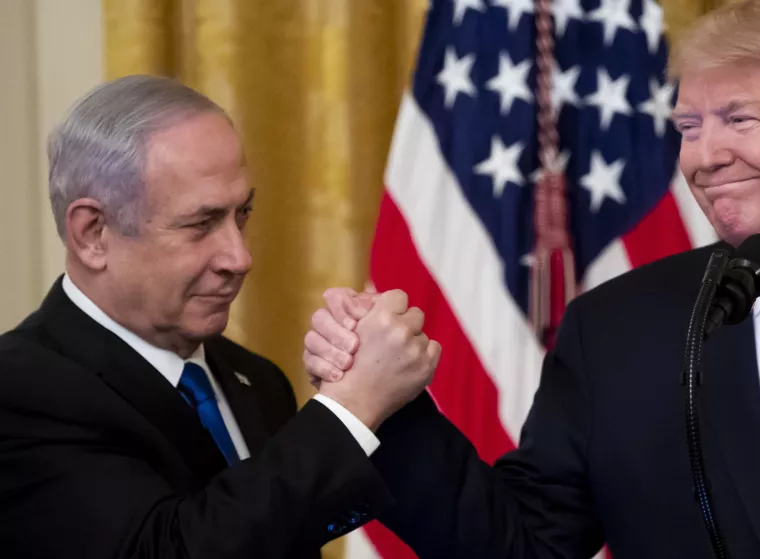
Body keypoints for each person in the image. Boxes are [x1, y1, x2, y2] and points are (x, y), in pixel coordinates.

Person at [304, 1, 760, 557]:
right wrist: (385, 406)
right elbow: (521, 544)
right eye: (687, 126)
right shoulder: (617, 329)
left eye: (739, 119)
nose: (704, 157)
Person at [0, 75, 440, 559]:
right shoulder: (20, 389)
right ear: (93, 234)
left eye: (242, 214)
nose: (239, 256)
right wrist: (350, 408)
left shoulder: (256, 380)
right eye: (201, 223)